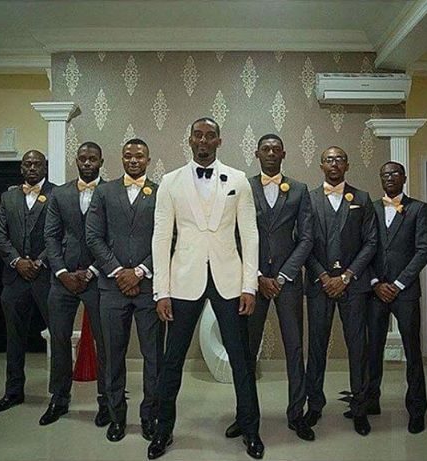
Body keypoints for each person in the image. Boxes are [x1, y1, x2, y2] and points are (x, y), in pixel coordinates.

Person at [149, 117, 263, 460]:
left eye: (209, 136)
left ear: (219, 141)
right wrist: (161, 290)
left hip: (229, 281)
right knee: (172, 361)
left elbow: (250, 234)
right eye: (197, 135)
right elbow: (160, 238)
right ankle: (163, 430)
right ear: (189, 140)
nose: (203, 141)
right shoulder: (169, 182)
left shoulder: (239, 180)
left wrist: (249, 285)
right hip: (183, 281)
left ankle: (251, 429)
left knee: (241, 360)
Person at [225, 134, 314, 442]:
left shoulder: (300, 190)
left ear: (284, 154)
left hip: (287, 284)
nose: (272, 153)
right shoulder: (242, 186)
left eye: (277, 149)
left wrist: (284, 275)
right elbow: (234, 234)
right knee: (246, 351)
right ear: (257, 153)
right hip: (252, 281)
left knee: (294, 349)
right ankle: (245, 415)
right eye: (266, 149)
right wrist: (258, 274)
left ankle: (297, 415)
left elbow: (306, 238)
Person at [345, 161, 427, 434]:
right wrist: (374, 281)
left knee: (412, 351)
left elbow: (424, 250)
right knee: (372, 349)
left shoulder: (418, 209)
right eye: (385, 174)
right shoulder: (370, 207)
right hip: (374, 291)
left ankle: (416, 409)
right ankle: (371, 401)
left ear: (404, 178)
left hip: (404, 293)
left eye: (395, 173)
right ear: (380, 179)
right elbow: (363, 249)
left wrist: (397, 283)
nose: (390, 177)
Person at [86, 138, 164, 443]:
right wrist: (119, 272)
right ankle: (117, 417)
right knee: (112, 356)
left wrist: (141, 271)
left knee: (153, 356)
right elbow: (93, 236)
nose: (133, 160)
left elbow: (168, 237)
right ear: (121, 158)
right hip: (111, 287)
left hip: (148, 288)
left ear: (148, 158)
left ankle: (149, 416)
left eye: (139, 156)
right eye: (128, 156)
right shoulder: (104, 192)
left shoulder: (160, 192)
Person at [304, 146, 377, 436]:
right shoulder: (308, 199)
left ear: (347, 165)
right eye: (329, 159)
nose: (334, 164)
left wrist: (346, 276)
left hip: (354, 285)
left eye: (339, 159)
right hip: (320, 285)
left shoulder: (362, 199)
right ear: (321, 165)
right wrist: (323, 276)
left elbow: (371, 242)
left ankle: (359, 408)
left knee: (358, 348)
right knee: (317, 347)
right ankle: (315, 405)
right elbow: (303, 243)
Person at [40, 142, 108, 426]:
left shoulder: (110, 192)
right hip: (62, 280)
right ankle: (59, 399)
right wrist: (62, 272)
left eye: (93, 159)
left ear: (101, 161)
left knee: (105, 342)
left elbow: (112, 237)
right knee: (59, 339)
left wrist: (92, 270)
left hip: (98, 277)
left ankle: (107, 400)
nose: (88, 163)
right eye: (83, 158)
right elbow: (51, 237)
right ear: (76, 161)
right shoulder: (60, 193)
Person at [0, 150, 54, 414]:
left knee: (58, 337)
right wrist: (17, 261)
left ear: (44, 167)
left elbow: (60, 235)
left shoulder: (57, 194)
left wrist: (38, 262)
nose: (31, 168)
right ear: (21, 168)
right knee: (14, 339)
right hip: (14, 280)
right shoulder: (8, 197)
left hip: (46, 279)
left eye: (37, 164)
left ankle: (59, 396)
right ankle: (13, 392)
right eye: (27, 164)